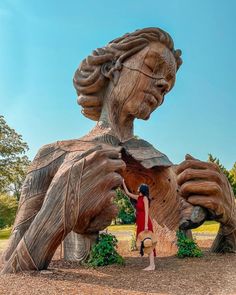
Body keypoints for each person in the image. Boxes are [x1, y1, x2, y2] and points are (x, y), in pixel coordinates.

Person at [2, 27, 236, 274]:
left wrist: (230, 222)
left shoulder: (167, 168)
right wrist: (58, 212)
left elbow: (222, 252)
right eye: (152, 67)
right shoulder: (53, 155)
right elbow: (11, 269)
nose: (163, 84)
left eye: (169, 84)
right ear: (110, 68)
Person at [122, 179, 156, 270]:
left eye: (139, 187)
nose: (138, 188)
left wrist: (146, 225)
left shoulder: (145, 199)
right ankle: (151, 264)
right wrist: (123, 183)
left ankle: (152, 265)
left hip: (145, 223)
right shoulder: (139, 197)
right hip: (140, 221)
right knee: (144, 242)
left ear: (142, 189)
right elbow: (128, 193)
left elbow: (146, 213)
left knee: (148, 242)